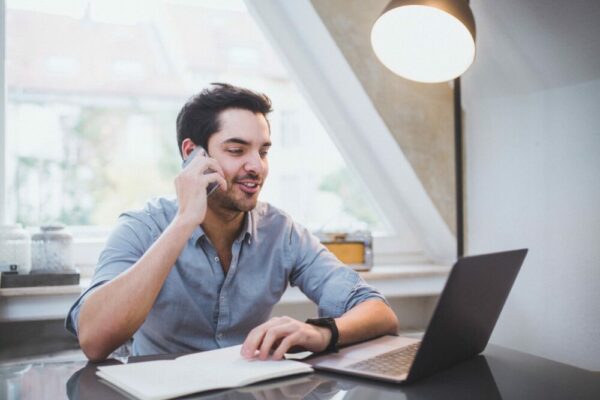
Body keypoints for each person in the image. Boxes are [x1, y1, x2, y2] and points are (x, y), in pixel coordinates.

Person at [66, 83, 399, 362]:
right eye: (237, 150)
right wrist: (184, 221)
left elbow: (379, 313)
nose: (257, 166)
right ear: (192, 154)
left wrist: (320, 333)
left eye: (263, 151)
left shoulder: (281, 232)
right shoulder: (141, 228)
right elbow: (94, 342)